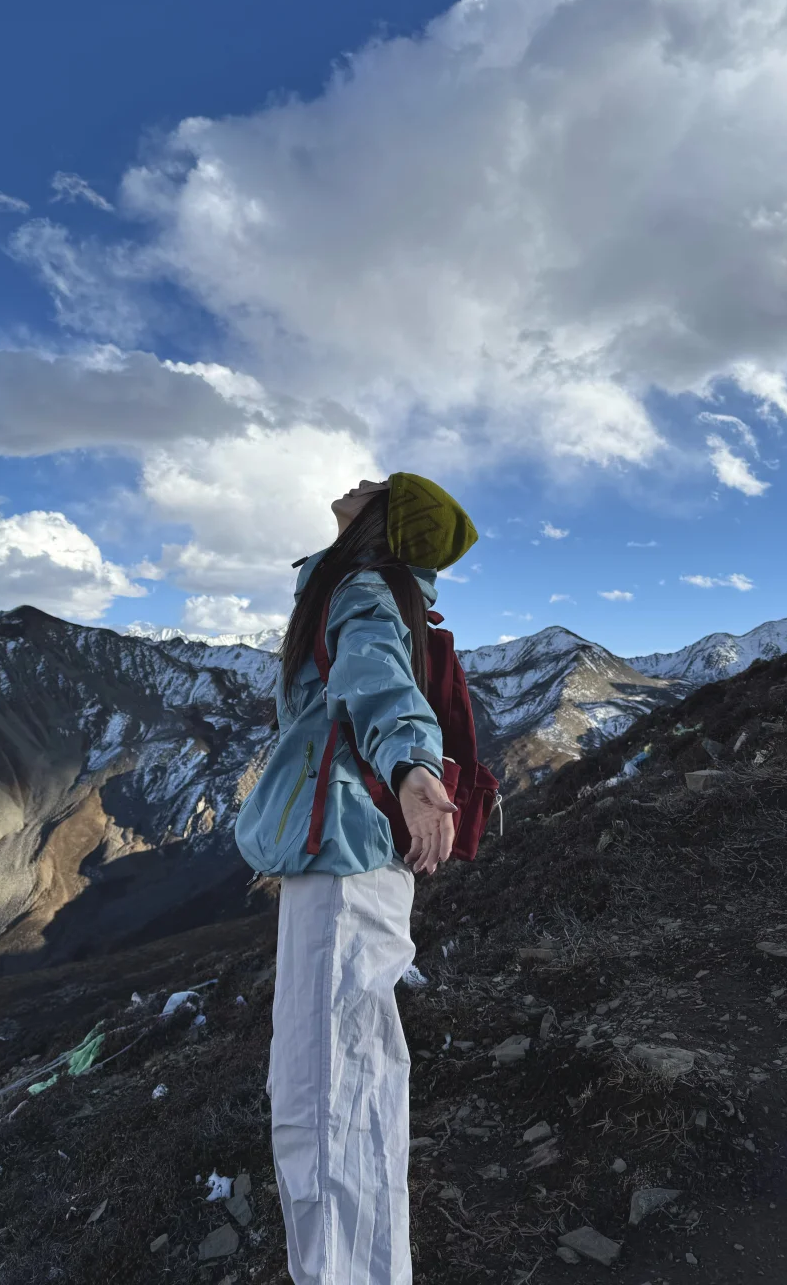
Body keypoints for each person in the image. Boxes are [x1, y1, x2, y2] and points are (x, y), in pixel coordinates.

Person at [237, 473, 479, 1285]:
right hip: (348, 862)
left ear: (382, 519)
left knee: (322, 1104)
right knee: (348, 1095)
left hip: (343, 865)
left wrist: (413, 766)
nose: (357, 481)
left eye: (377, 484)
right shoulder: (372, 589)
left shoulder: (364, 590)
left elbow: (378, 677)